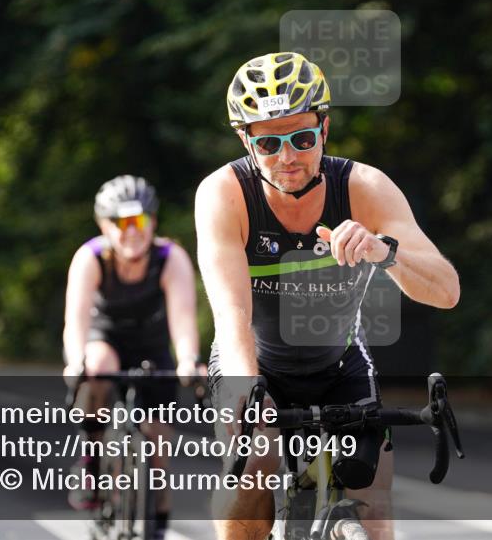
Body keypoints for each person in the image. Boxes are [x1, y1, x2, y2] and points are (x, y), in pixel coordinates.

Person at [195, 52, 460, 540]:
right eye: (268, 143)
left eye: (301, 138)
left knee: (373, 501)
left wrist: (385, 252)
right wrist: (243, 392)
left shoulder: (364, 187)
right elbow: (232, 319)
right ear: (245, 140)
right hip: (256, 362)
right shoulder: (224, 194)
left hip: (339, 365)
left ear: (324, 129)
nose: (287, 157)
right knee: (256, 461)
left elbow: (446, 291)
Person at [63, 175, 200, 539]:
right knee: (97, 366)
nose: (130, 232)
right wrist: (75, 362)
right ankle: (92, 460)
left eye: (138, 221)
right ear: (104, 225)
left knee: (158, 447)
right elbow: (74, 322)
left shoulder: (170, 258)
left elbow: (183, 321)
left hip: (153, 350)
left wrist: (188, 359)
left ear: (152, 222)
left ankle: (157, 523)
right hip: (105, 340)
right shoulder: (90, 257)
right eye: (120, 223)